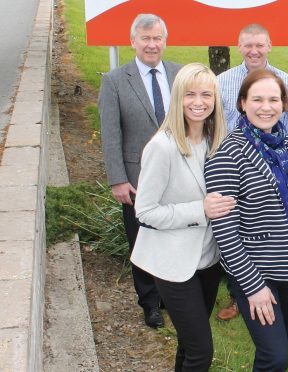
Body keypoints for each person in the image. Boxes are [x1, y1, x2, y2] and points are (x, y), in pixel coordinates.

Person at [205, 70, 288, 372]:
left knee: (280, 347)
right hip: (254, 269)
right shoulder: (228, 152)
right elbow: (224, 231)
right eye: (257, 99)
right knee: (275, 355)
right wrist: (252, 287)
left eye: (273, 99)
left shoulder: (285, 145)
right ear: (242, 103)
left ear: (283, 104)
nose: (266, 107)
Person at [130, 63, 236, 371]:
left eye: (206, 94)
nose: (198, 101)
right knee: (201, 352)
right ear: (178, 97)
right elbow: (145, 212)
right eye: (190, 94)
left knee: (188, 346)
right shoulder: (162, 147)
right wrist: (199, 209)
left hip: (207, 261)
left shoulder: (216, 142)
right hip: (174, 265)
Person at [98, 13, 182, 329]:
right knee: (142, 240)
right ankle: (150, 303)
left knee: (173, 235)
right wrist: (117, 179)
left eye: (157, 38)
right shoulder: (115, 80)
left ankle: (171, 295)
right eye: (145, 38)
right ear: (133, 41)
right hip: (136, 178)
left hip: (177, 174)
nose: (151, 44)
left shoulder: (178, 74)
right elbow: (111, 133)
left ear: (165, 40)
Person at [215, 23, 288, 321]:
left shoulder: (287, 83)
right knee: (238, 231)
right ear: (239, 46)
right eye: (248, 45)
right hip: (237, 170)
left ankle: (268, 291)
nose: (254, 50)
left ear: (270, 46)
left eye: (260, 45)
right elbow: (216, 133)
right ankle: (240, 293)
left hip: (278, 175)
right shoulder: (222, 82)